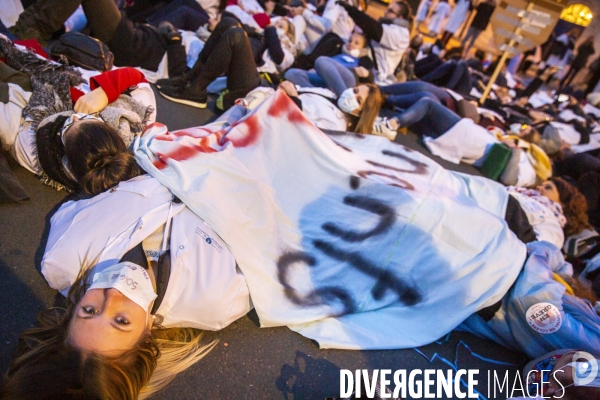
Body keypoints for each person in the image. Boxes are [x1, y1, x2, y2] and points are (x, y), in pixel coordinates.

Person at [0, 36, 156, 193]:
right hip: (58, 72)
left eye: (67, 128)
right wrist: (104, 93)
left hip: (27, 97)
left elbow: (8, 118)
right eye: (92, 118)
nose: (75, 115)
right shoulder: (136, 125)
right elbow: (137, 77)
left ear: (67, 157)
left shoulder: (36, 147)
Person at [335, 0, 411, 85]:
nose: (385, 12)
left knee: (332, 67)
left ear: (400, 17)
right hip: (366, 68)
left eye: (390, 11)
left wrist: (350, 9)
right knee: (334, 40)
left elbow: (373, 28)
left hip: (377, 79)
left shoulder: (400, 33)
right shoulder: (390, 27)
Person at [507, 178, 590, 249]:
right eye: (541, 185)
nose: (539, 187)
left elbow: (534, 247)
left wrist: (509, 205)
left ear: (563, 204)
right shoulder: (521, 193)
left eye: (548, 188)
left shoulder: (554, 227)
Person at [284, 32, 374, 93]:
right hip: (325, 76)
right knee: (291, 74)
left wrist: (365, 73)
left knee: (321, 61)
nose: (351, 44)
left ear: (363, 48)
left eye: (356, 43)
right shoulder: (338, 49)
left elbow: (371, 79)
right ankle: (319, 95)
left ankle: (343, 97)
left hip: (346, 79)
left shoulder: (364, 60)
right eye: (350, 41)